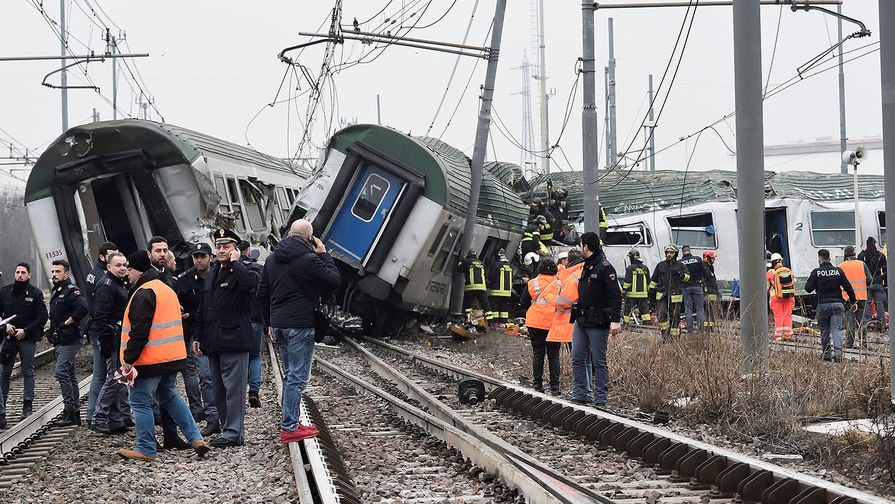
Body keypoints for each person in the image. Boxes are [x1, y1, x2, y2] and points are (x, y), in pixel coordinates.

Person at [117, 251, 210, 461]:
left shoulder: (143, 292)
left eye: (129, 270)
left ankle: (146, 448)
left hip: (149, 360)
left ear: (137, 270)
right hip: (172, 357)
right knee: (170, 396)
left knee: (140, 401)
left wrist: (128, 360)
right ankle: (196, 438)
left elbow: (139, 332)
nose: (128, 275)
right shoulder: (165, 288)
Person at [257, 219, 340, 443]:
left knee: (290, 375)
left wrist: (269, 323)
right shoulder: (311, 259)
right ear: (309, 237)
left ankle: (292, 420)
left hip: (280, 324)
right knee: (297, 377)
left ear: (289, 234)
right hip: (300, 324)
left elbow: (262, 293)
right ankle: (290, 426)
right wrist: (324, 254)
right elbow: (333, 280)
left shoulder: (272, 259)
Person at [193, 228, 259, 448]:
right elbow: (204, 307)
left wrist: (236, 263)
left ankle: (234, 433)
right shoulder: (212, 273)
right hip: (213, 341)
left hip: (234, 339)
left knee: (234, 389)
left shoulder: (244, 269)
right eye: (219, 247)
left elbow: (251, 285)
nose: (221, 250)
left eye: (226, 247)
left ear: (235, 250)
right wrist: (198, 335)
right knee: (218, 388)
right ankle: (226, 427)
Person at [569, 232, 622, 406]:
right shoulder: (587, 265)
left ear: (586, 247)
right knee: (577, 357)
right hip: (582, 320)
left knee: (598, 361)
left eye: (580, 245)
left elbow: (615, 295)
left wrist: (615, 320)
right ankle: (580, 395)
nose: (579, 248)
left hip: (598, 321)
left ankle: (600, 399)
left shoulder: (605, 267)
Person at [175, 243, 220, 435]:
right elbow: (176, 301)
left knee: (220, 375)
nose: (199, 260)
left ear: (210, 257)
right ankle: (212, 417)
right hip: (196, 332)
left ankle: (223, 414)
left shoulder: (219, 275)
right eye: (196, 257)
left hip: (219, 331)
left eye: (202, 256)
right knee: (205, 375)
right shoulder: (185, 281)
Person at [0, 263, 48, 427]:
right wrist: (4, 326)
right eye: (17, 272)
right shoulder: (5, 292)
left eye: (23, 273)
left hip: (26, 338)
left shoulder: (35, 293)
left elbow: (42, 317)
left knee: (28, 371)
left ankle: (27, 405)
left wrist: (26, 330)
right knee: (4, 373)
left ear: (29, 275)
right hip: (8, 338)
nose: (19, 275)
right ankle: (2, 407)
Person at [88, 252, 131, 435]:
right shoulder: (107, 286)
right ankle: (99, 416)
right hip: (112, 337)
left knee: (120, 379)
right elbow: (101, 315)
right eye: (118, 265)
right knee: (116, 377)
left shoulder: (118, 284)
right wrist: (105, 339)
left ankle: (115, 419)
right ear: (109, 267)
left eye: (124, 265)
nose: (122, 268)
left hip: (119, 336)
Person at [47, 259, 89, 427]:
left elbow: (83, 308)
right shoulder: (57, 290)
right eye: (53, 272)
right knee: (70, 375)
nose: (54, 275)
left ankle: (69, 410)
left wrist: (67, 322)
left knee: (61, 373)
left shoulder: (72, 291)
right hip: (61, 339)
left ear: (66, 274)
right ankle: (75, 413)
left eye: (58, 271)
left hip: (70, 338)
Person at [84, 242, 118, 427]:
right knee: (103, 375)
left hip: (97, 329)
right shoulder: (103, 278)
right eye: (111, 255)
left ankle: (95, 414)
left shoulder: (92, 274)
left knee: (101, 375)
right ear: (102, 257)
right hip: (103, 331)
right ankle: (95, 414)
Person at [805, 249, 856, 362]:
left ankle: (827, 354)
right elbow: (848, 287)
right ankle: (838, 355)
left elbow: (808, 289)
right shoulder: (838, 271)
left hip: (823, 305)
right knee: (837, 329)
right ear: (830, 258)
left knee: (824, 330)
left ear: (819, 259)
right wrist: (853, 302)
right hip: (838, 305)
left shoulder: (816, 272)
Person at [546, 250, 586, 391]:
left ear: (568, 262)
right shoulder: (590, 270)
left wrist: (550, 298)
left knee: (577, 359)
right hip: (592, 321)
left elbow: (564, 302)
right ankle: (588, 390)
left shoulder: (572, 277)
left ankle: (581, 391)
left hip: (572, 323)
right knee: (589, 359)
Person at [520, 259, 561, 395]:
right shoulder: (560, 284)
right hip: (554, 323)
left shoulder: (533, 283)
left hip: (535, 323)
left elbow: (524, 303)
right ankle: (555, 387)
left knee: (538, 354)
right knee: (553, 355)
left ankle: (537, 385)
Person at [239, 241, 265, 407]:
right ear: (249, 254)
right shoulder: (260, 271)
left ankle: (239, 391)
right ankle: (254, 391)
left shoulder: (232, 271)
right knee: (255, 356)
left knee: (240, 357)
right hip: (256, 319)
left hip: (239, 320)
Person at [649, 245, 690, 341]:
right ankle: (665, 336)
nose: (669, 254)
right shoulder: (660, 265)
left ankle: (675, 338)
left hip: (675, 296)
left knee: (675, 317)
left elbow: (687, 278)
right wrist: (651, 296)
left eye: (671, 253)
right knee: (662, 316)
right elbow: (654, 281)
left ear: (675, 254)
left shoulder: (680, 265)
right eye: (667, 252)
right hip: (662, 296)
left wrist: (681, 274)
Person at [838, 246, 872, 348]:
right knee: (862, 321)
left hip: (847, 297)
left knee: (850, 321)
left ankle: (849, 344)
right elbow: (869, 280)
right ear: (854, 254)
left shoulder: (841, 266)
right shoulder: (862, 264)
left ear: (845, 254)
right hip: (861, 297)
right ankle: (864, 344)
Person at [858, 236, 887, 332]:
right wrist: (884, 282)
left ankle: (867, 324)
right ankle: (881, 324)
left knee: (867, 303)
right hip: (878, 283)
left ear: (867, 244)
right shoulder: (881, 255)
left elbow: (860, 270)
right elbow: (886, 271)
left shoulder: (862, 256)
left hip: (866, 284)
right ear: (875, 244)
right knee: (879, 304)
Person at [457, 251, 494, 325]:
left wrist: (462, 260)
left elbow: (459, 269)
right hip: (481, 288)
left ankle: (467, 320)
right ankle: (491, 323)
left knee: (467, 306)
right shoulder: (481, 263)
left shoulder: (467, 262)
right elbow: (486, 275)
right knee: (486, 306)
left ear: (468, 255)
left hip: (470, 288)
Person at [766, 253, 796, 341]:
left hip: (776, 298)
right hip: (788, 297)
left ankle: (778, 336)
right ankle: (788, 335)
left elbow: (766, 287)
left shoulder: (770, 273)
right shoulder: (787, 271)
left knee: (778, 316)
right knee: (787, 315)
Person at [679, 245, 706, 334]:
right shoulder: (698, 259)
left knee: (688, 310)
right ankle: (701, 330)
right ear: (690, 250)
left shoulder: (680, 262)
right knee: (699, 309)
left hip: (686, 288)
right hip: (698, 286)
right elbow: (705, 271)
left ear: (682, 251)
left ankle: (690, 331)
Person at [84, 241, 119, 309]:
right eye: (111, 256)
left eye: (117, 255)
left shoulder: (113, 270)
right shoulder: (100, 276)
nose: (116, 259)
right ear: (102, 257)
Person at [621, 249, 651, 326]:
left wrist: (624, 291)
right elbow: (648, 282)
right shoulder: (645, 268)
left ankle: (625, 326)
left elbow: (627, 282)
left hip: (632, 296)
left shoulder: (630, 268)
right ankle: (648, 327)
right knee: (645, 312)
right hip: (643, 296)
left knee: (627, 312)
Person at [487, 248, 513, 326]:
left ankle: (495, 323)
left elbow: (491, 277)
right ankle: (503, 322)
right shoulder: (509, 265)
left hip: (496, 291)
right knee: (504, 308)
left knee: (495, 308)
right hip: (507, 292)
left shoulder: (496, 265)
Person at [702, 251, 720, 331]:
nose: (714, 259)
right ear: (708, 258)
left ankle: (710, 327)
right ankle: (708, 328)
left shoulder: (709, 267)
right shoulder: (706, 268)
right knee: (708, 311)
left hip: (710, 292)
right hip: (709, 292)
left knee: (710, 311)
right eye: (713, 258)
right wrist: (716, 292)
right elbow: (711, 282)